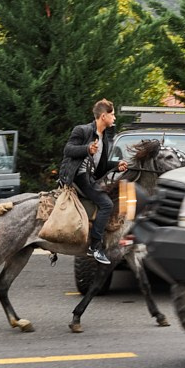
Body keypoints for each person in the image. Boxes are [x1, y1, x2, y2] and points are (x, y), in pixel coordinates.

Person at [58, 99, 128, 264]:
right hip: (78, 176)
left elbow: (101, 167)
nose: (115, 118)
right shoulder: (82, 130)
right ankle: (95, 247)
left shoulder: (104, 138)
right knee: (107, 204)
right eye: (112, 115)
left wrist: (117, 166)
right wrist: (87, 149)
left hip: (90, 176)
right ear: (103, 116)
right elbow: (67, 150)